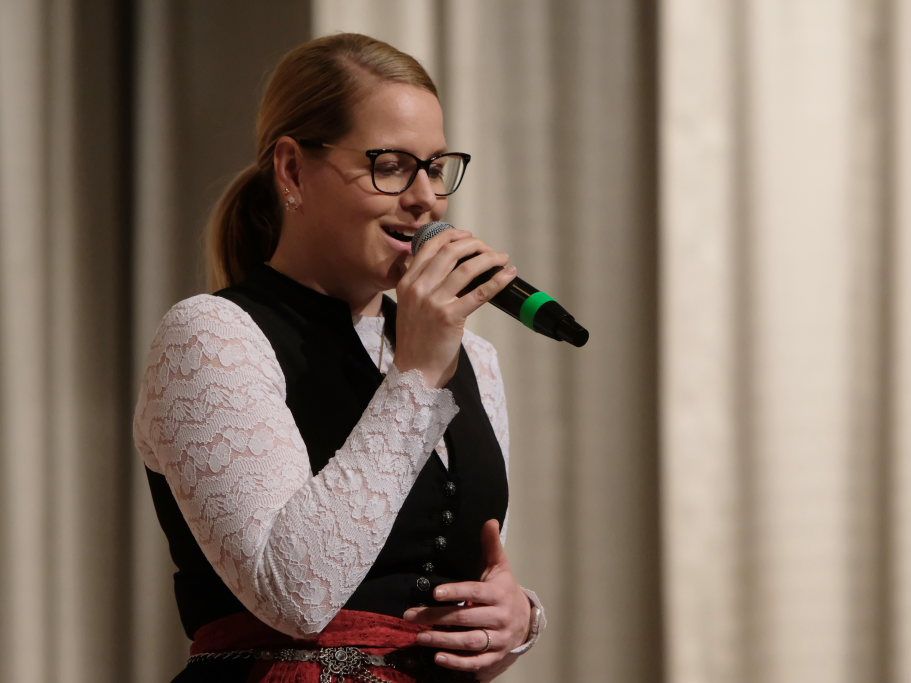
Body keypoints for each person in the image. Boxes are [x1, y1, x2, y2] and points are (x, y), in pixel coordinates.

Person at [133, 32, 544, 682]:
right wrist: (416, 375)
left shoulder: (472, 355)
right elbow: (295, 594)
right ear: (293, 170)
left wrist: (516, 618)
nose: (425, 198)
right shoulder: (212, 336)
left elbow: (457, 577)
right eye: (391, 165)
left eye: (436, 167)